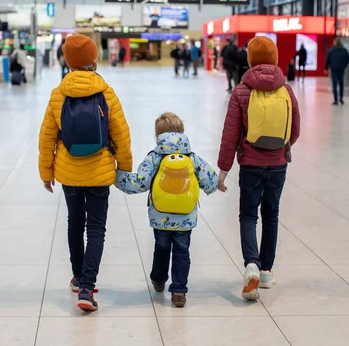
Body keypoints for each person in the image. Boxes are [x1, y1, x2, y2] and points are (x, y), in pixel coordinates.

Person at [38, 34, 133, 312]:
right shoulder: (106, 92)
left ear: (67, 63)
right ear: (94, 60)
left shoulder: (58, 94)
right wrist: (123, 168)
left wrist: (46, 172)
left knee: (74, 223)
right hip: (99, 171)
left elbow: (46, 138)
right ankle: (87, 288)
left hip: (68, 173)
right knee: (96, 229)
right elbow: (121, 135)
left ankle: (78, 277)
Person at [217, 36, 300, 301]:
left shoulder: (242, 90)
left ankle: (251, 263)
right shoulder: (286, 90)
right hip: (277, 165)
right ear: (275, 58)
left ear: (250, 59)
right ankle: (266, 271)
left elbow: (230, 134)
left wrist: (223, 170)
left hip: (250, 164)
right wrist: (282, 148)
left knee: (248, 215)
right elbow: (295, 130)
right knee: (271, 214)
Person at [115, 113, 218, 308]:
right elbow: (209, 181)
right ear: (182, 132)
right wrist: (217, 184)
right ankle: (179, 290)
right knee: (182, 250)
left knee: (161, 247)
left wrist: (116, 177)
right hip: (185, 216)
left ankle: (159, 278)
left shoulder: (154, 157)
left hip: (160, 216)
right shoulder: (192, 157)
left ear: (158, 134)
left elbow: (140, 182)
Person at [325, 37, 349, 105]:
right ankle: (341, 98)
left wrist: (326, 68)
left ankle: (336, 100)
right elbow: (348, 59)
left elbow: (327, 60)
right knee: (341, 84)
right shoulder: (344, 50)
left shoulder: (331, 50)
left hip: (334, 70)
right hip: (341, 70)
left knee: (334, 85)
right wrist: (344, 65)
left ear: (335, 42)